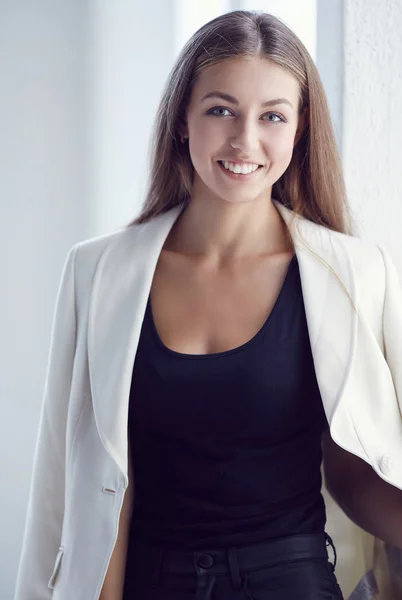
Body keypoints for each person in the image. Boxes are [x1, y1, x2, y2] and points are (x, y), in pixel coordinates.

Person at [14, 9, 402, 600]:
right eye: (221, 109)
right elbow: (101, 486)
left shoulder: (352, 272)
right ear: (182, 122)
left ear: (297, 132)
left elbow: (352, 467)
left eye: (272, 116)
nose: (245, 140)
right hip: (151, 579)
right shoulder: (100, 273)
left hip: (289, 580)